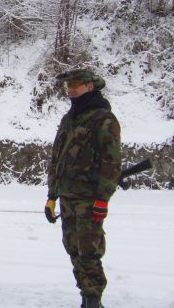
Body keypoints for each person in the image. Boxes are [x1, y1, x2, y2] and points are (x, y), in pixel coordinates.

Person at [45, 69, 121, 308]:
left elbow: (112, 162)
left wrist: (102, 198)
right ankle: (85, 295)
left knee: (89, 250)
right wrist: (51, 196)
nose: (71, 89)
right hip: (66, 196)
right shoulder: (69, 118)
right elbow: (57, 157)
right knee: (73, 248)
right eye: (69, 85)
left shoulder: (104, 119)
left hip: (89, 199)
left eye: (76, 84)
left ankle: (93, 299)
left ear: (90, 86)